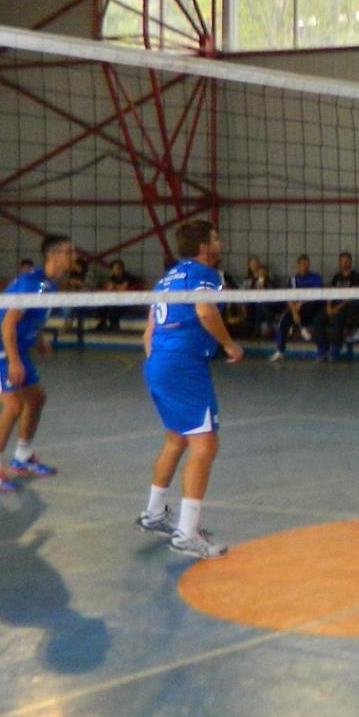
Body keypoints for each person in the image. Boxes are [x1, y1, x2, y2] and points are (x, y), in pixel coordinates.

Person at [134, 219, 242, 561]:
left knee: (177, 439)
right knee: (205, 445)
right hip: (183, 366)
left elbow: (148, 334)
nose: (221, 243)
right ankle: (187, 534)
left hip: (158, 362)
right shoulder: (205, 274)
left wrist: (164, 362)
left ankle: (154, 514)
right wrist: (229, 344)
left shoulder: (167, 278)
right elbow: (205, 311)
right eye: (216, 238)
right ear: (204, 247)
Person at [0, 233, 76, 493]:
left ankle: (22, 458)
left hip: (17, 348)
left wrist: (39, 339)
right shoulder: (31, 284)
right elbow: (8, 324)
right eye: (68, 252)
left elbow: (31, 317)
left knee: (37, 399)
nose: (73, 256)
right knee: (13, 405)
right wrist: (14, 361)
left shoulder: (49, 284)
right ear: (53, 255)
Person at [273, 254, 324, 360]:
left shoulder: (316, 278)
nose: (304, 266)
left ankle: (321, 350)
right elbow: (288, 297)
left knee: (317, 319)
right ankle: (280, 351)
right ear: (298, 265)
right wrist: (294, 312)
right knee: (283, 320)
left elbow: (317, 295)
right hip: (296, 310)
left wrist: (301, 304)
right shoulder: (293, 280)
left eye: (306, 264)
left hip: (312, 308)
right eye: (302, 264)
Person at [321, 251, 359, 360]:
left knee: (339, 316)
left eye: (347, 261)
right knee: (319, 319)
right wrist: (329, 306)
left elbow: (353, 297)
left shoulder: (356, 277)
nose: (345, 263)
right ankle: (322, 348)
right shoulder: (337, 277)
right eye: (343, 261)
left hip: (350, 305)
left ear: (350, 262)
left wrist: (337, 308)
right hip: (336, 306)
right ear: (339, 262)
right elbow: (331, 293)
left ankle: (335, 349)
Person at [95, 258, 141, 333]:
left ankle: (114, 325)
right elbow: (109, 289)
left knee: (114, 308)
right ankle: (102, 323)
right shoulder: (113, 277)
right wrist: (114, 287)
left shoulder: (127, 277)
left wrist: (114, 287)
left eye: (119, 268)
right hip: (118, 299)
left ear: (122, 268)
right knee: (103, 306)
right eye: (115, 268)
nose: (117, 270)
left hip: (131, 300)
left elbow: (123, 289)